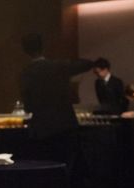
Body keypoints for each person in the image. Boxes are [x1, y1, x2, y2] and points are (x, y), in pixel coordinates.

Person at [20, 33, 94, 165]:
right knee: (68, 165)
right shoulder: (58, 66)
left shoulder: (26, 73)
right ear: (43, 47)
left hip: (43, 128)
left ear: (25, 51)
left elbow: (28, 105)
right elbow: (87, 64)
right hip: (65, 125)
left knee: (47, 166)